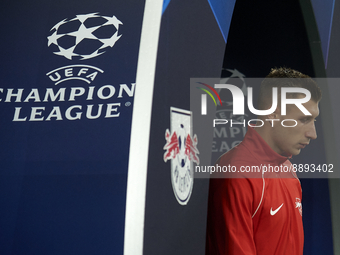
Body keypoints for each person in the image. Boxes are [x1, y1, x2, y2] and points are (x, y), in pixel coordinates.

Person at [205, 67, 322, 255]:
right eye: (304, 119)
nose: (313, 134)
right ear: (273, 114)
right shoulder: (237, 172)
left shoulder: (288, 169)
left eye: (313, 120)